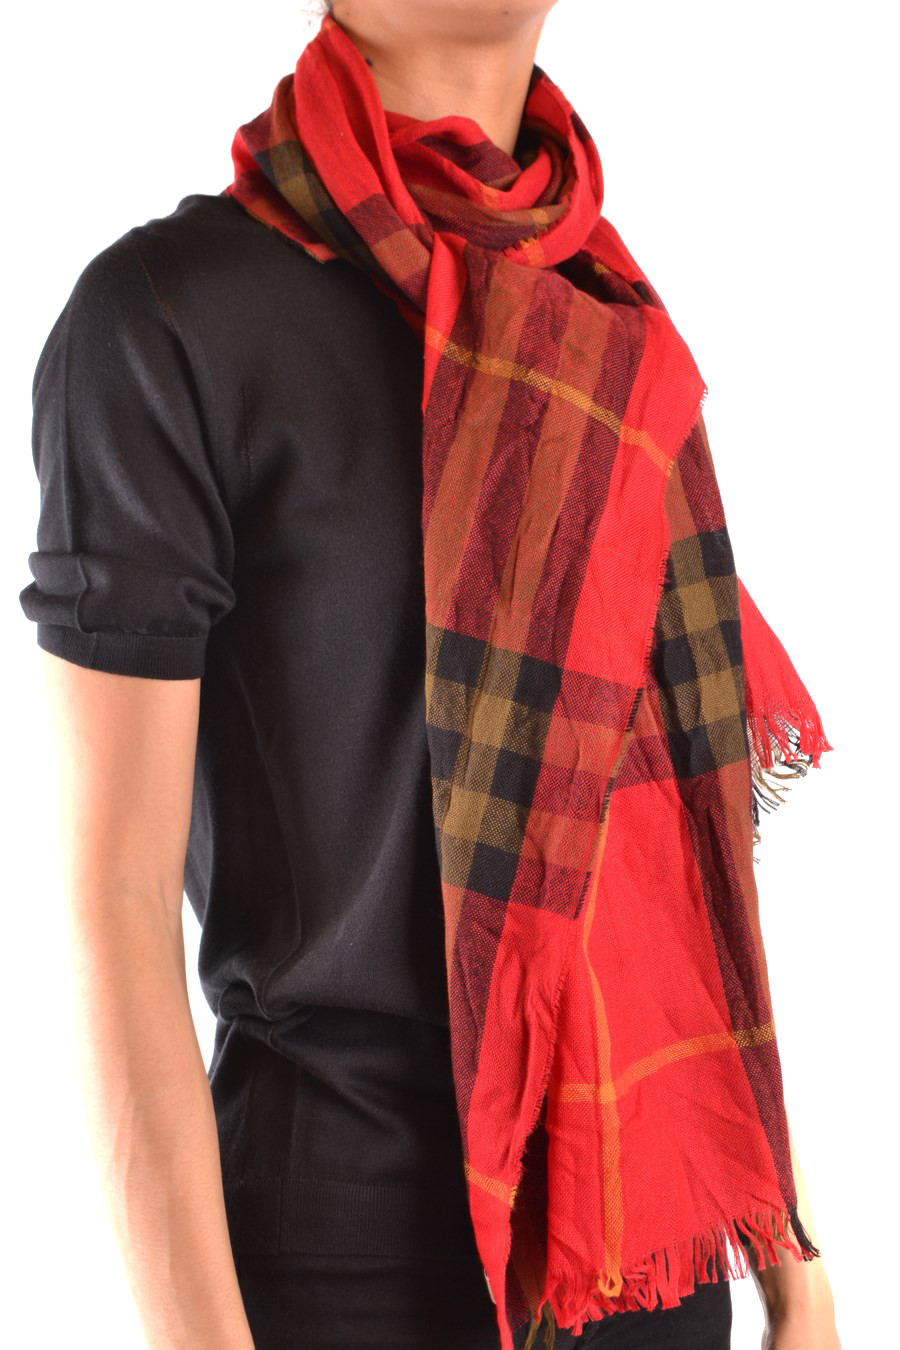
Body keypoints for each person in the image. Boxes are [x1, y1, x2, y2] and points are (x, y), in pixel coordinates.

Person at [19, 2, 841, 1347]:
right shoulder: (171, 321)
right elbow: (113, 903)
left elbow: (683, 876)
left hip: (648, 1258)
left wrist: (798, 1268)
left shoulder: (608, 322)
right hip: (342, 1267)